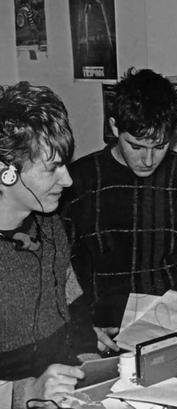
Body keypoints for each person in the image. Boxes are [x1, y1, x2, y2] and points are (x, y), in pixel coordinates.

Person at [62, 68, 177, 351]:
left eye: (159, 146)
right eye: (136, 146)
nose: (148, 159)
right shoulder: (78, 184)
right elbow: (57, 275)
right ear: (114, 127)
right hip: (104, 340)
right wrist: (81, 331)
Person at [0, 82, 89, 407]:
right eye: (52, 168)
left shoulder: (50, 223)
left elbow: (71, 297)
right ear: (6, 173)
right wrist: (27, 393)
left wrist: (91, 364)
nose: (68, 180)